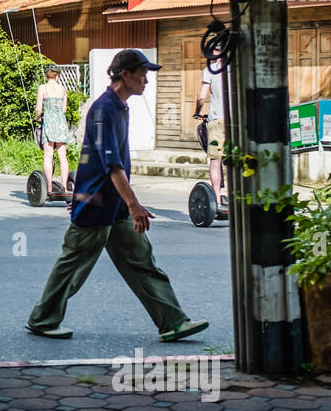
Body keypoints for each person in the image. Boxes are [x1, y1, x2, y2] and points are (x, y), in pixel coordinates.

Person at [25, 49, 207, 343]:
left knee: (143, 263)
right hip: (96, 205)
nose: (146, 80)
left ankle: (173, 321)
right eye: (143, 74)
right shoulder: (104, 109)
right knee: (72, 268)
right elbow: (112, 165)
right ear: (126, 75)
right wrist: (134, 204)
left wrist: (128, 204)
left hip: (115, 207)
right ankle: (43, 319)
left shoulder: (121, 107)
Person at [193, 51, 225, 203]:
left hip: (217, 121)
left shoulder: (210, 70)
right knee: (236, 159)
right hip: (237, 121)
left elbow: (201, 97)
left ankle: (217, 199)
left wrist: (197, 112)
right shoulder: (239, 68)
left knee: (215, 160)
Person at [35, 64, 71, 190]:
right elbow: (64, 110)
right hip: (61, 123)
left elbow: (39, 109)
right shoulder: (63, 89)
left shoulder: (42, 88)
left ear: (46, 75)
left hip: (49, 122)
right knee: (63, 156)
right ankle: (65, 186)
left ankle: (49, 187)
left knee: (48, 155)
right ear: (57, 75)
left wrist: (37, 118)